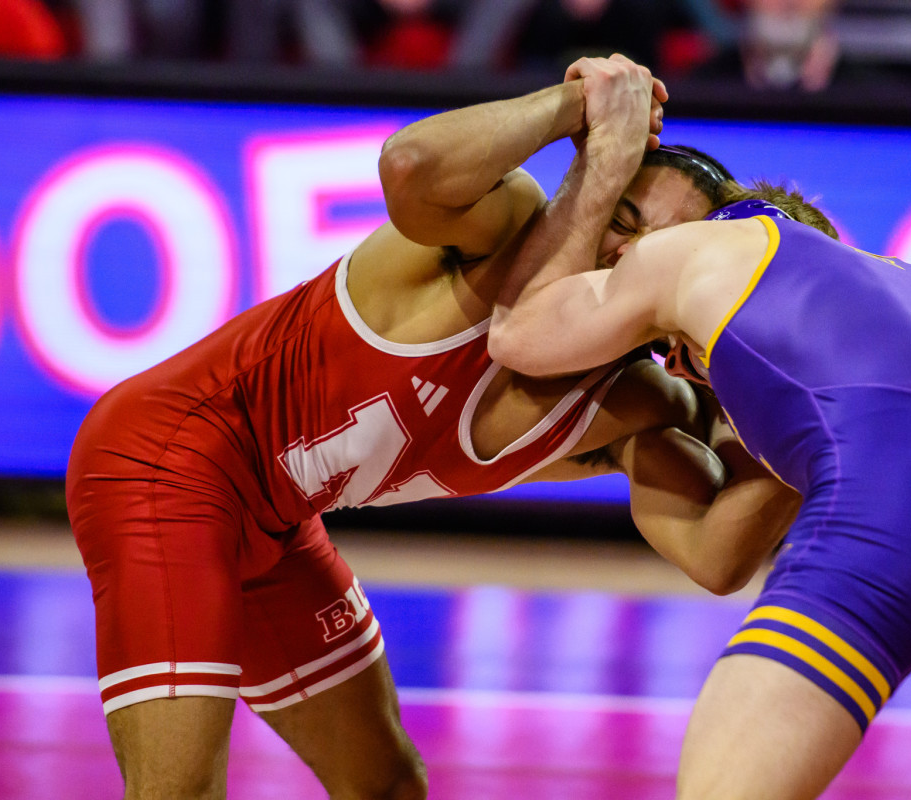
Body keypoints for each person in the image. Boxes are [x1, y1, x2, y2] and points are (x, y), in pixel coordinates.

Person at [66, 55, 799, 799]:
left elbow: (715, 554)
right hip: (165, 459)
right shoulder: (503, 226)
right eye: (620, 217)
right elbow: (410, 164)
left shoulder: (634, 401)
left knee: (388, 785)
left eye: (654, 249)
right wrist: (580, 110)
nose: (623, 255)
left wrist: (800, 425)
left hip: (279, 523)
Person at [487, 62, 911, 799]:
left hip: (902, 504)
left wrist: (602, 165)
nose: (618, 257)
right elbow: (721, 557)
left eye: (628, 227)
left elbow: (517, 336)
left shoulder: (690, 251)